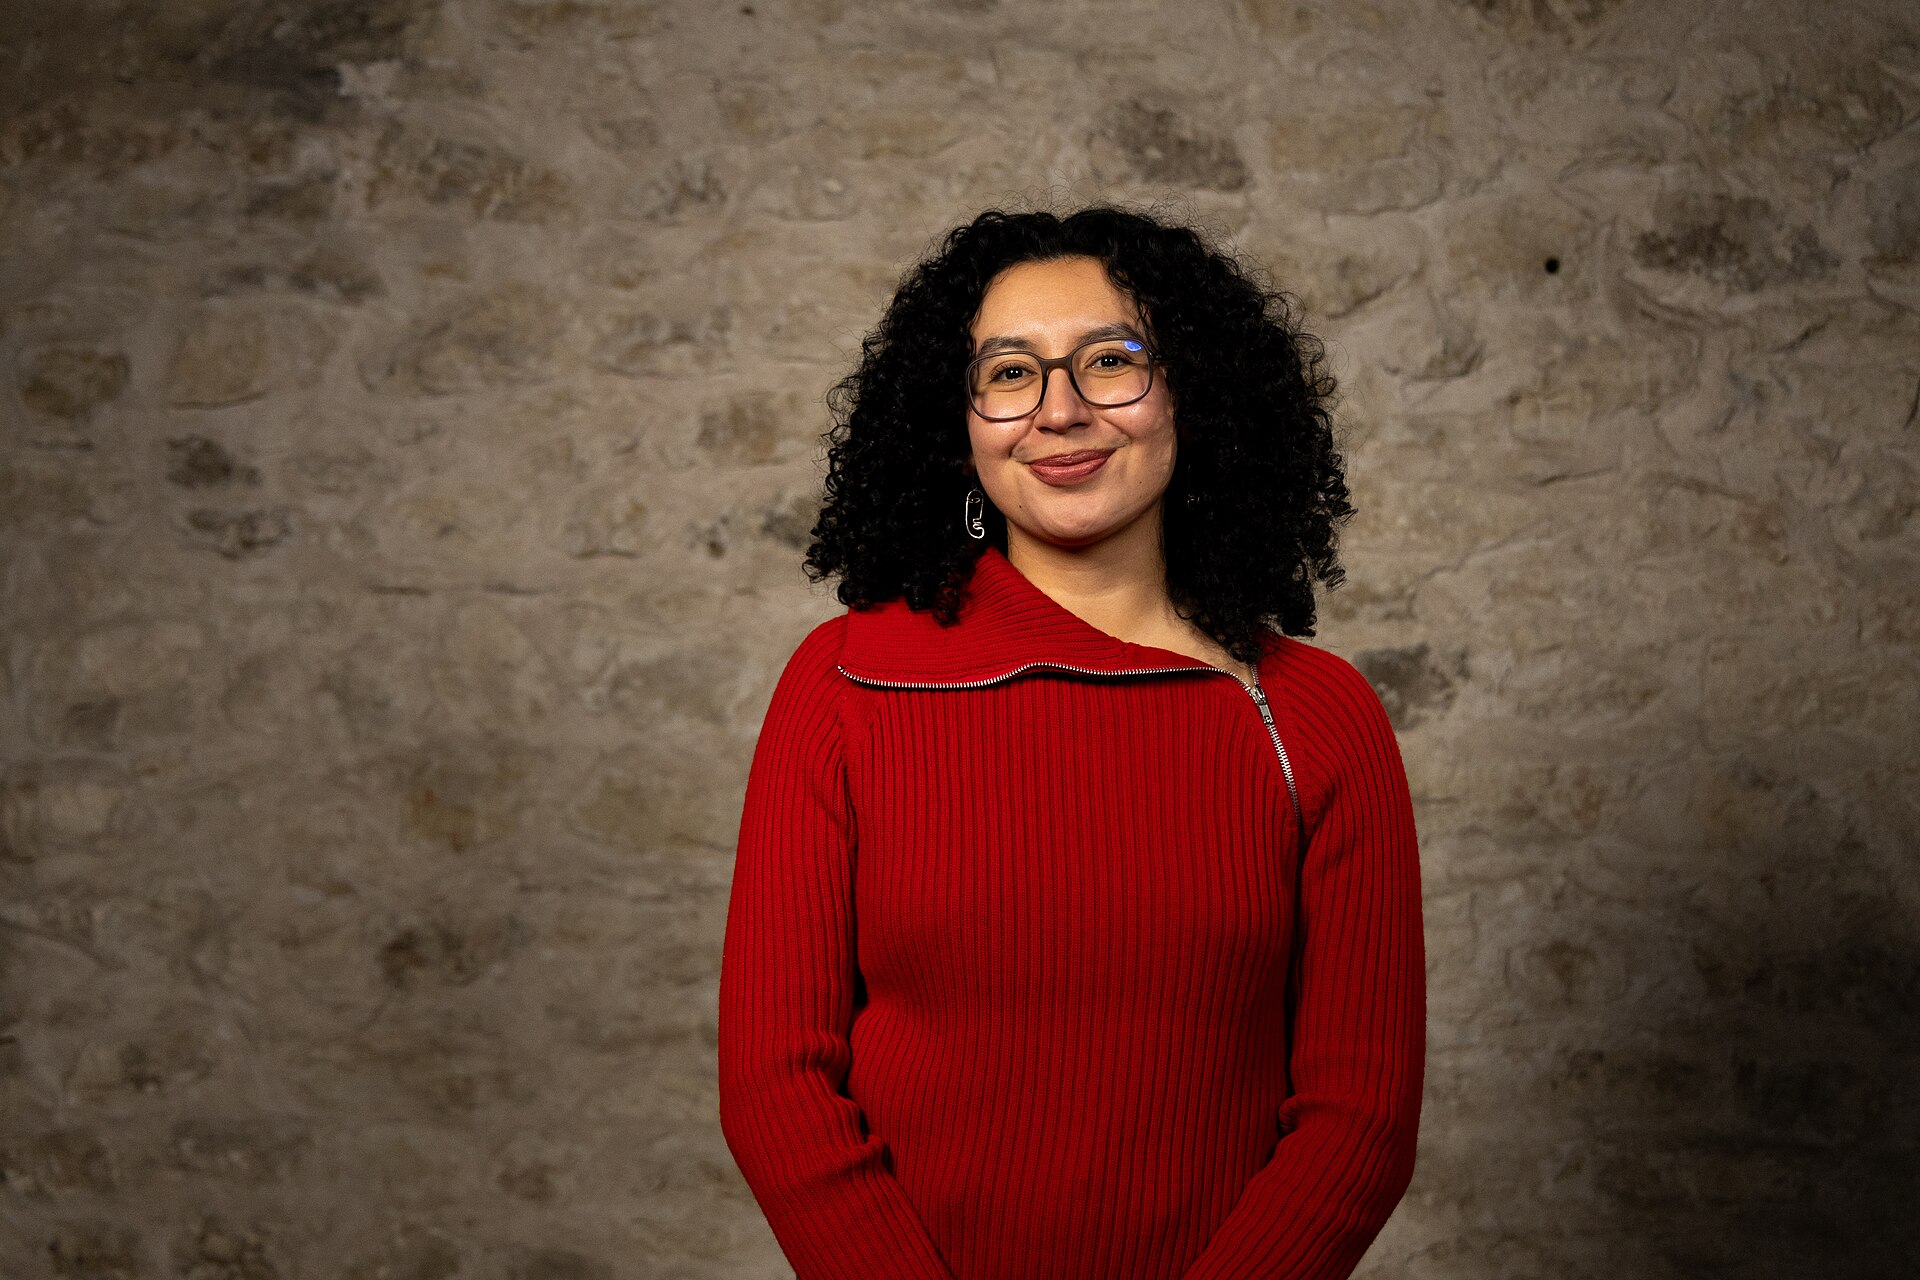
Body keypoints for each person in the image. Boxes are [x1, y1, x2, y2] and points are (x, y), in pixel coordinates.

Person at [717, 206, 1425, 1280]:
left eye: (1111, 360)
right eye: (1010, 373)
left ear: (1195, 395)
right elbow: (776, 1079)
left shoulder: (1315, 716)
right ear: (956, 420)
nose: (1059, 410)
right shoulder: (845, 684)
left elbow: (1359, 1118)